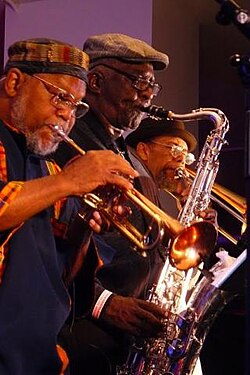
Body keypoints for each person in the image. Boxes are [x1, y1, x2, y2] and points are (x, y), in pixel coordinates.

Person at [54, 33, 204, 375]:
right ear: (96, 81)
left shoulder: (121, 149)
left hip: (123, 335)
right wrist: (103, 303)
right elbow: (49, 241)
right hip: (81, 330)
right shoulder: (69, 138)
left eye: (152, 84)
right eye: (139, 81)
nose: (148, 92)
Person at [0, 37, 139, 375]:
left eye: (76, 106)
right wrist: (69, 181)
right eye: (59, 96)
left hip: (40, 357)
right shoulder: (58, 178)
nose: (66, 114)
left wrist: (86, 227)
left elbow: (60, 273)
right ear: (15, 82)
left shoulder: (48, 170)